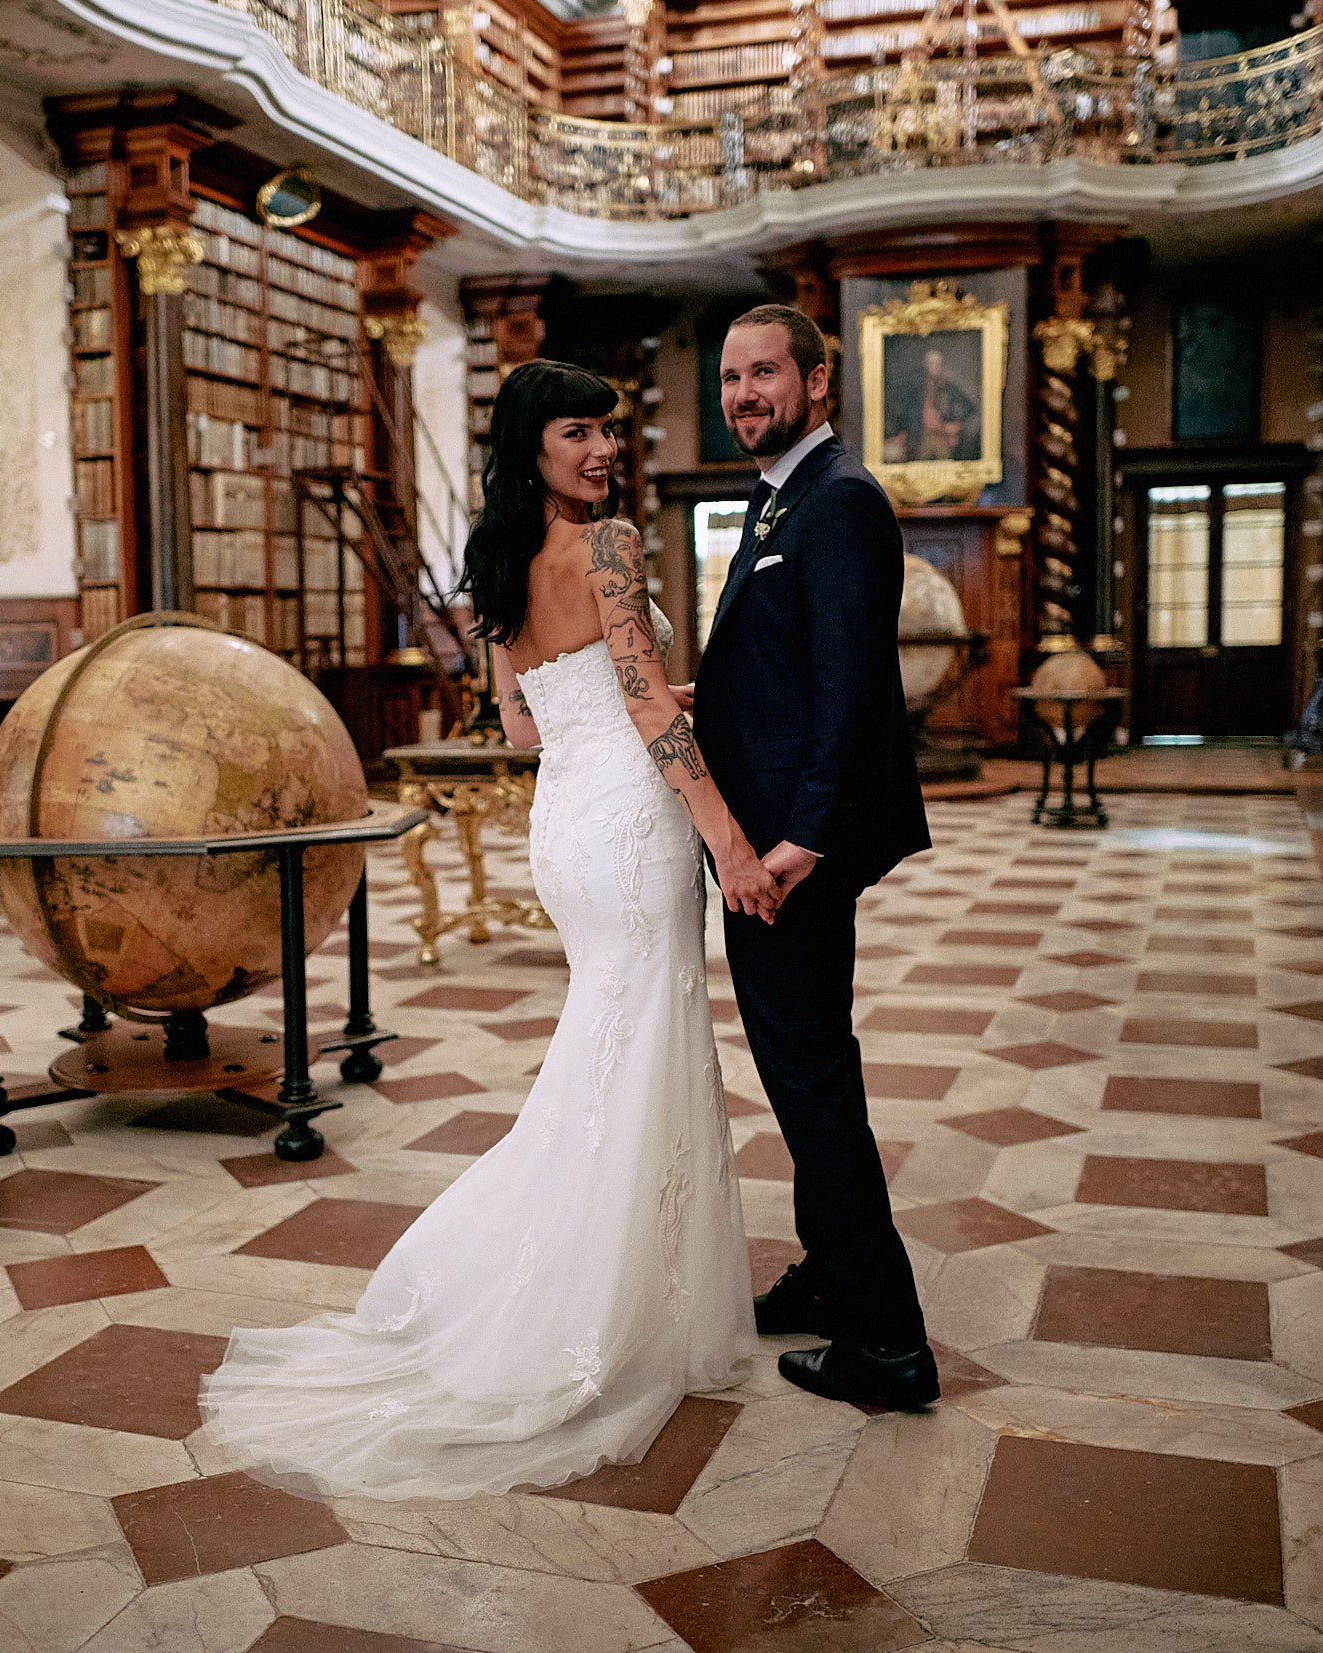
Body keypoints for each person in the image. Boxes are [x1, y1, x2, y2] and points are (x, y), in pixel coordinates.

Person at [198, 360, 783, 1501]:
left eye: (608, 430)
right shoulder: (608, 546)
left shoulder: (492, 560)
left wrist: (626, 718)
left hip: (566, 822)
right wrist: (725, 839)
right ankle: (598, 1309)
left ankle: (610, 1286)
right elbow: (648, 704)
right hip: (628, 826)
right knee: (642, 1049)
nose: (602, 451)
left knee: (612, 1051)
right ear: (532, 445)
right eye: (578, 432)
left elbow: (522, 720)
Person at [684, 303, 938, 1411]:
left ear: (817, 381)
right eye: (730, 376)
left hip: (791, 853)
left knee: (812, 1086)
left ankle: (885, 1344)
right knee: (802, 1076)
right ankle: (832, 1274)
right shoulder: (781, 492)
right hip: (782, 832)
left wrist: (802, 839)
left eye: (763, 374)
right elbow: (789, 669)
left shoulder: (837, 501)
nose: (742, 393)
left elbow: (851, 692)